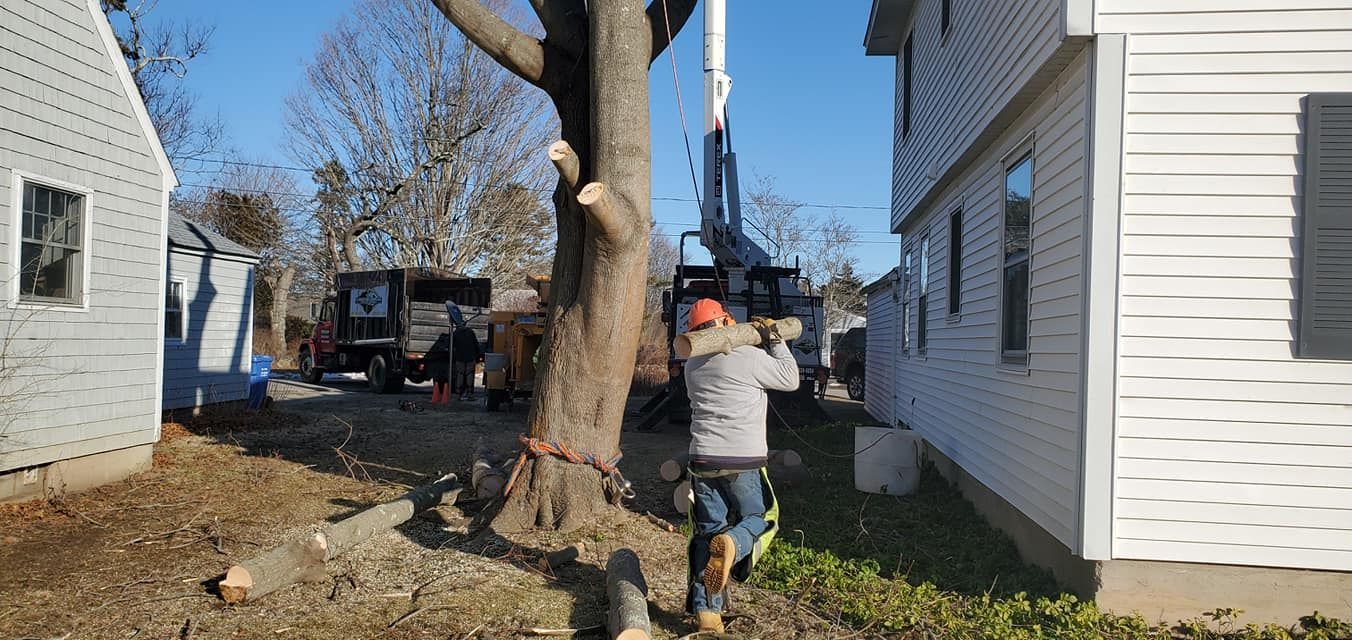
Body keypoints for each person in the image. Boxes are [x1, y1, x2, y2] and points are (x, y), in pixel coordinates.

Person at [681, 298, 799, 633]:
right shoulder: (745, 356)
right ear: (727, 322)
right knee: (762, 519)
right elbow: (790, 379)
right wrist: (775, 339)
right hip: (742, 459)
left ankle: (707, 613)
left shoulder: (693, 364)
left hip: (702, 459)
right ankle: (734, 544)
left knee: (706, 534)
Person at [451, 320, 481, 400]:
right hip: (471, 357)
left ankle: (458, 393)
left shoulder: (456, 333)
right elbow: (476, 344)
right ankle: (469, 393)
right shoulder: (471, 332)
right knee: (469, 374)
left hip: (460, 357)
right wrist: (478, 355)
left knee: (460, 374)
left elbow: (451, 345)